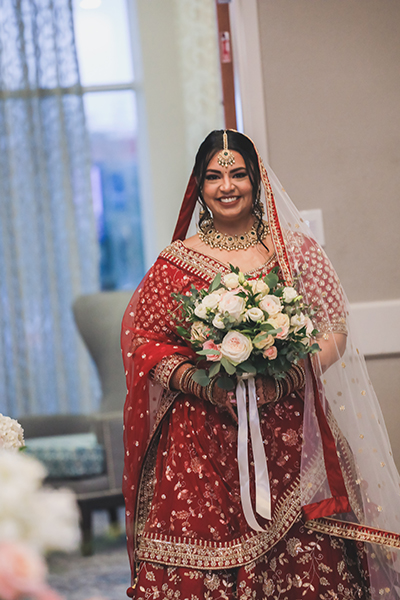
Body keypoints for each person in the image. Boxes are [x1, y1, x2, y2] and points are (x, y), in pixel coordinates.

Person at [122, 130, 400, 599]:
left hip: (291, 433)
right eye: (214, 176)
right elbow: (143, 340)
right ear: (200, 186)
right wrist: (198, 381)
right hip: (200, 440)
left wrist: (289, 377)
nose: (227, 186)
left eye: (237, 174)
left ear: (256, 180)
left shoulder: (294, 252)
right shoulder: (176, 262)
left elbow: (333, 327)